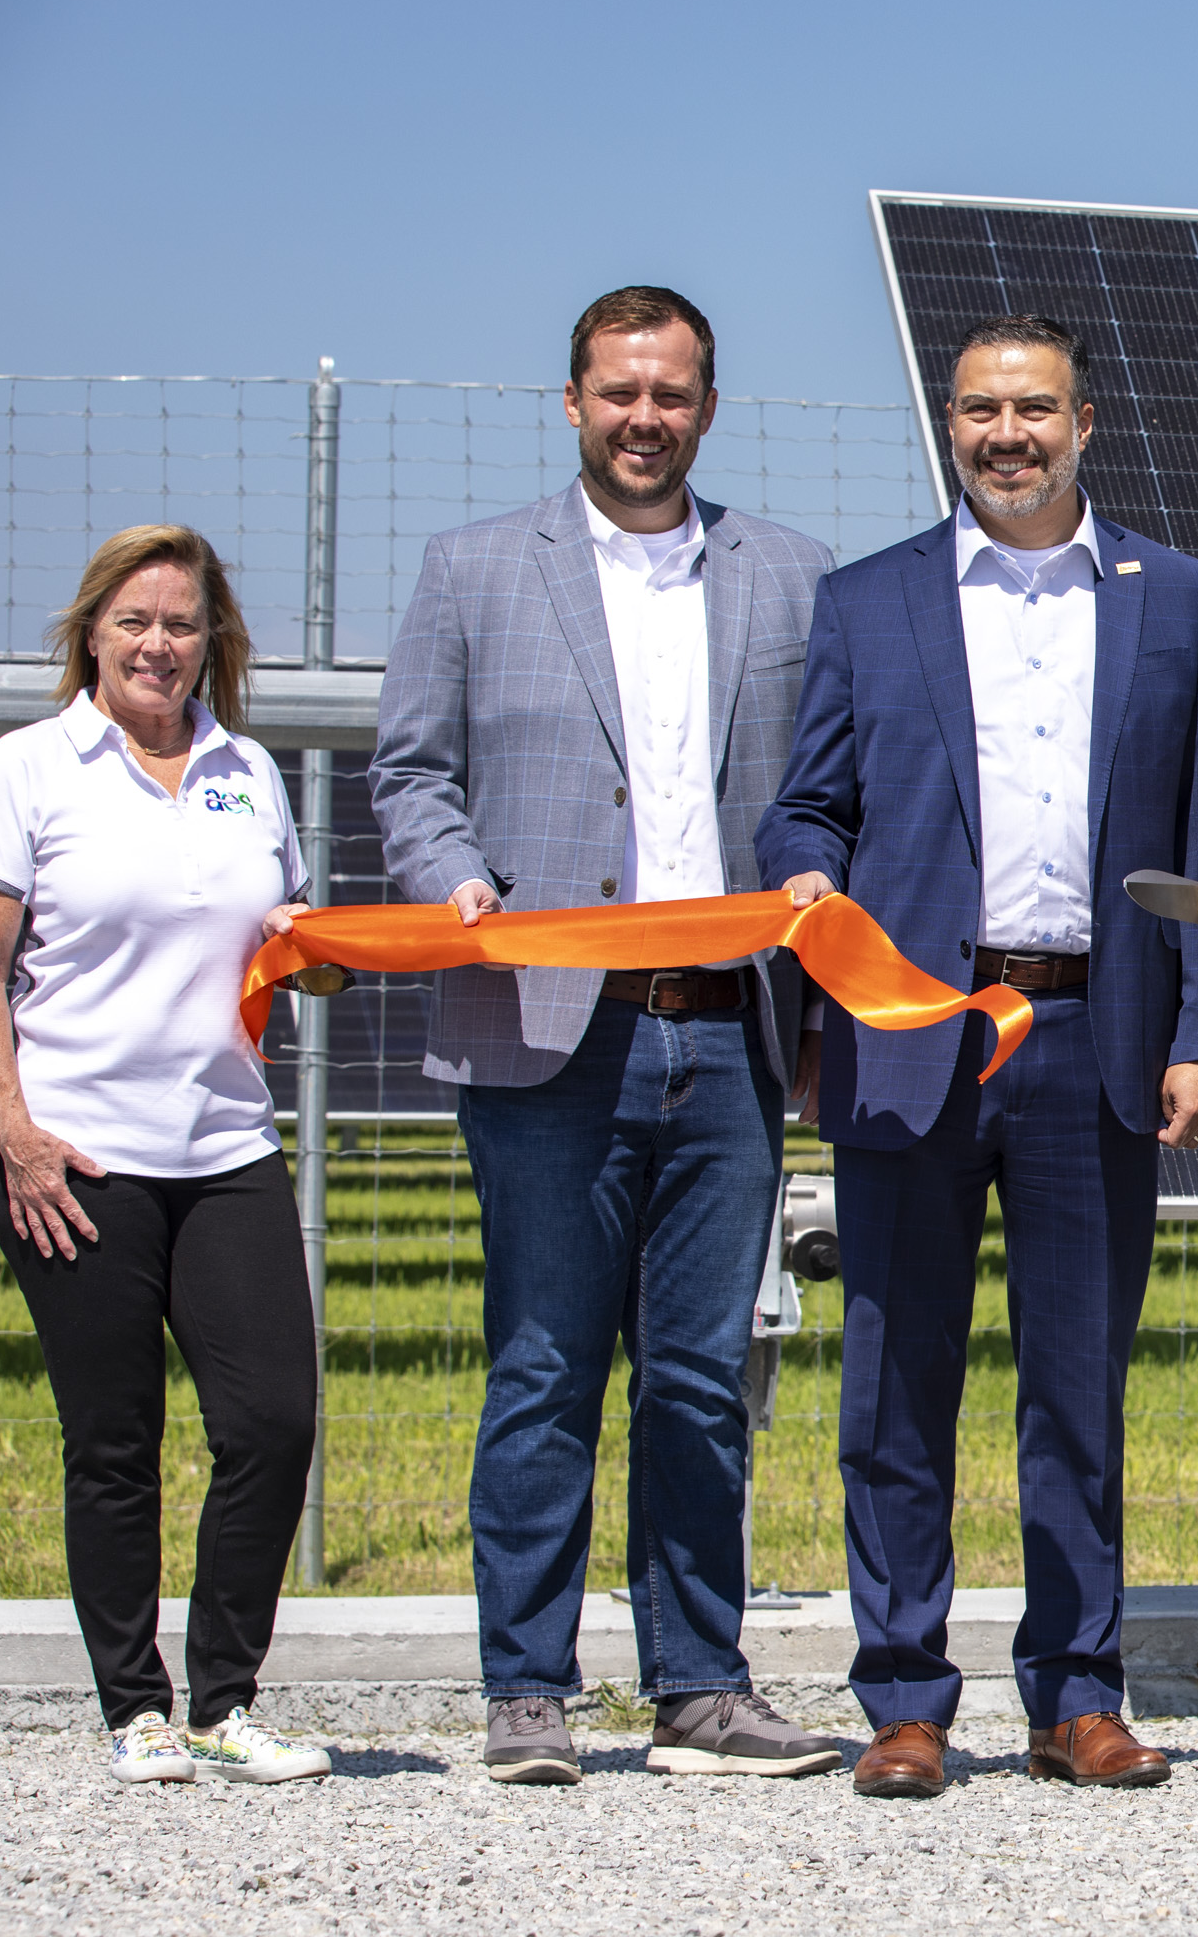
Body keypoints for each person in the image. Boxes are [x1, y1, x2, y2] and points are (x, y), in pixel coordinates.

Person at [758, 314, 1198, 1800]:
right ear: (951, 425)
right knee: (895, 1387)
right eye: (981, 412)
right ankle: (905, 1699)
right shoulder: (868, 601)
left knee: (1074, 1393)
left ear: (1086, 422)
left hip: (1098, 1037)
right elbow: (808, 808)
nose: (1008, 435)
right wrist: (802, 889)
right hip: (915, 1034)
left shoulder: (1176, 597)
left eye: (1035, 410)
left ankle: (1076, 1691)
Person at [370, 287, 839, 1784]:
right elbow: (411, 777)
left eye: (675, 393)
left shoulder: (795, 577)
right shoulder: (470, 570)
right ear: (571, 401)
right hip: (548, 1034)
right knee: (545, 1365)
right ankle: (529, 1687)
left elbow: (822, 795)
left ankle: (699, 1682)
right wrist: (462, 888)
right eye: (621, 392)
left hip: (728, 1035)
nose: (648, 417)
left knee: (703, 1377)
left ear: (710, 407)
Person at [0, 525, 332, 1786]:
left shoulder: (247, 768)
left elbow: (288, 940)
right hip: (74, 1156)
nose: (158, 644)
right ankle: (136, 1705)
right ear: (91, 632)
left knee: (274, 1421)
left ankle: (228, 1700)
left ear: (210, 643)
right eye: (135, 620)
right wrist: (12, 1133)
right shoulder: (28, 768)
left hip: (227, 1146)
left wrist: (372, 945)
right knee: (113, 1441)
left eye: (182, 623)